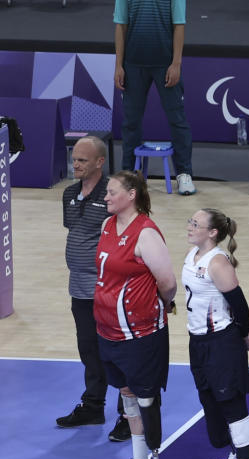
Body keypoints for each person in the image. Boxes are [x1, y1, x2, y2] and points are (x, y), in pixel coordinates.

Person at [96, 170, 177, 459]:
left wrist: (159, 306)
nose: (106, 196)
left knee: (146, 399)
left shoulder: (146, 233)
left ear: (131, 195)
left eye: (112, 192)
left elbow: (168, 283)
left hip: (140, 334)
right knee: (127, 394)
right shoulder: (107, 225)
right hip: (108, 331)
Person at [183, 208, 249, 459]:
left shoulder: (217, 263)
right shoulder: (193, 256)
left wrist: (241, 336)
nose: (189, 227)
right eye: (190, 221)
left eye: (196, 224)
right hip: (198, 342)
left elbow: (240, 306)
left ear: (212, 232)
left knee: (234, 410)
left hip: (221, 344)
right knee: (212, 404)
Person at [57, 135, 129, 442]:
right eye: (74, 159)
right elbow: (76, 232)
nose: (76, 164)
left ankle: (128, 414)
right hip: (79, 287)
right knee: (89, 349)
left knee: (117, 353)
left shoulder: (114, 196)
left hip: (108, 289)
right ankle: (93, 405)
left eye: (82, 160)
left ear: (100, 162)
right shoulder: (70, 193)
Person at [114, 0, 194, 195]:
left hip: (165, 64)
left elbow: (179, 25)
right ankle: (128, 175)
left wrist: (176, 63)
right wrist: (119, 65)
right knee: (131, 122)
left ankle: (184, 174)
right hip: (133, 64)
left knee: (177, 120)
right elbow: (121, 25)